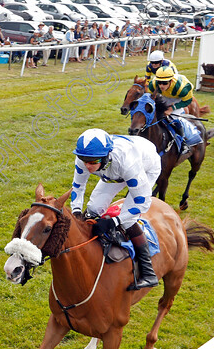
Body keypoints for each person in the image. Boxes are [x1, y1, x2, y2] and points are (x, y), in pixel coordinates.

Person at [70, 128, 161, 290]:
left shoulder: (127, 162)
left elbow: (142, 202)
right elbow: (77, 187)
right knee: (93, 209)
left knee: (129, 220)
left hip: (145, 167)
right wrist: (77, 212)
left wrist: (114, 221)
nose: (88, 166)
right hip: (112, 171)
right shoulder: (85, 159)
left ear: (106, 156)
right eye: (84, 160)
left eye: (92, 162)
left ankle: (148, 273)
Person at [148, 66, 197, 155]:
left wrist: (172, 108)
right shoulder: (153, 84)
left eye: (165, 83)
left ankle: (183, 143)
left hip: (177, 99)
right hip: (163, 96)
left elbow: (187, 101)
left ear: (171, 80)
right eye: (159, 82)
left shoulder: (183, 88)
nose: (161, 86)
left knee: (174, 118)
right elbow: (150, 96)